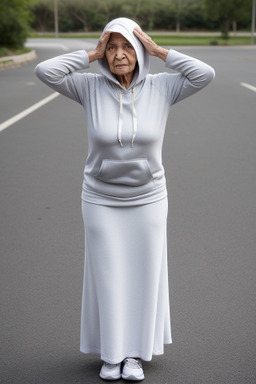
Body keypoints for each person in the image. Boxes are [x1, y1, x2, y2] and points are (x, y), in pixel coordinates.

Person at [35, 17, 215, 382]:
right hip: (100, 199)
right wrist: (91, 54)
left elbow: (205, 74)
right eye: (112, 47)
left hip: (149, 198)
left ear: (139, 51)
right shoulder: (88, 88)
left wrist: (160, 51)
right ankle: (111, 354)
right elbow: (45, 71)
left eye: (127, 47)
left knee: (143, 275)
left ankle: (134, 355)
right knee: (109, 275)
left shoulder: (163, 88)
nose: (119, 55)